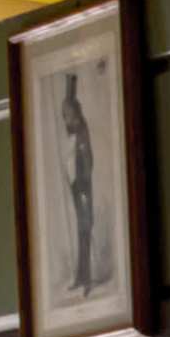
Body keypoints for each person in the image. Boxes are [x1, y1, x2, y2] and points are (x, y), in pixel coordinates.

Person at [58, 70, 98, 294]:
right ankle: (81, 276)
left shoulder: (82, 129)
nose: (66, 119)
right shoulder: (73, 129)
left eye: (68, 114)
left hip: (83, 185)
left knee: (85, 227)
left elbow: (88, 161)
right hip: (76, 185)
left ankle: (87, 279)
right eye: (64, 115)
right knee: (81, 229)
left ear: (76, 114)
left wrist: (83, 189)